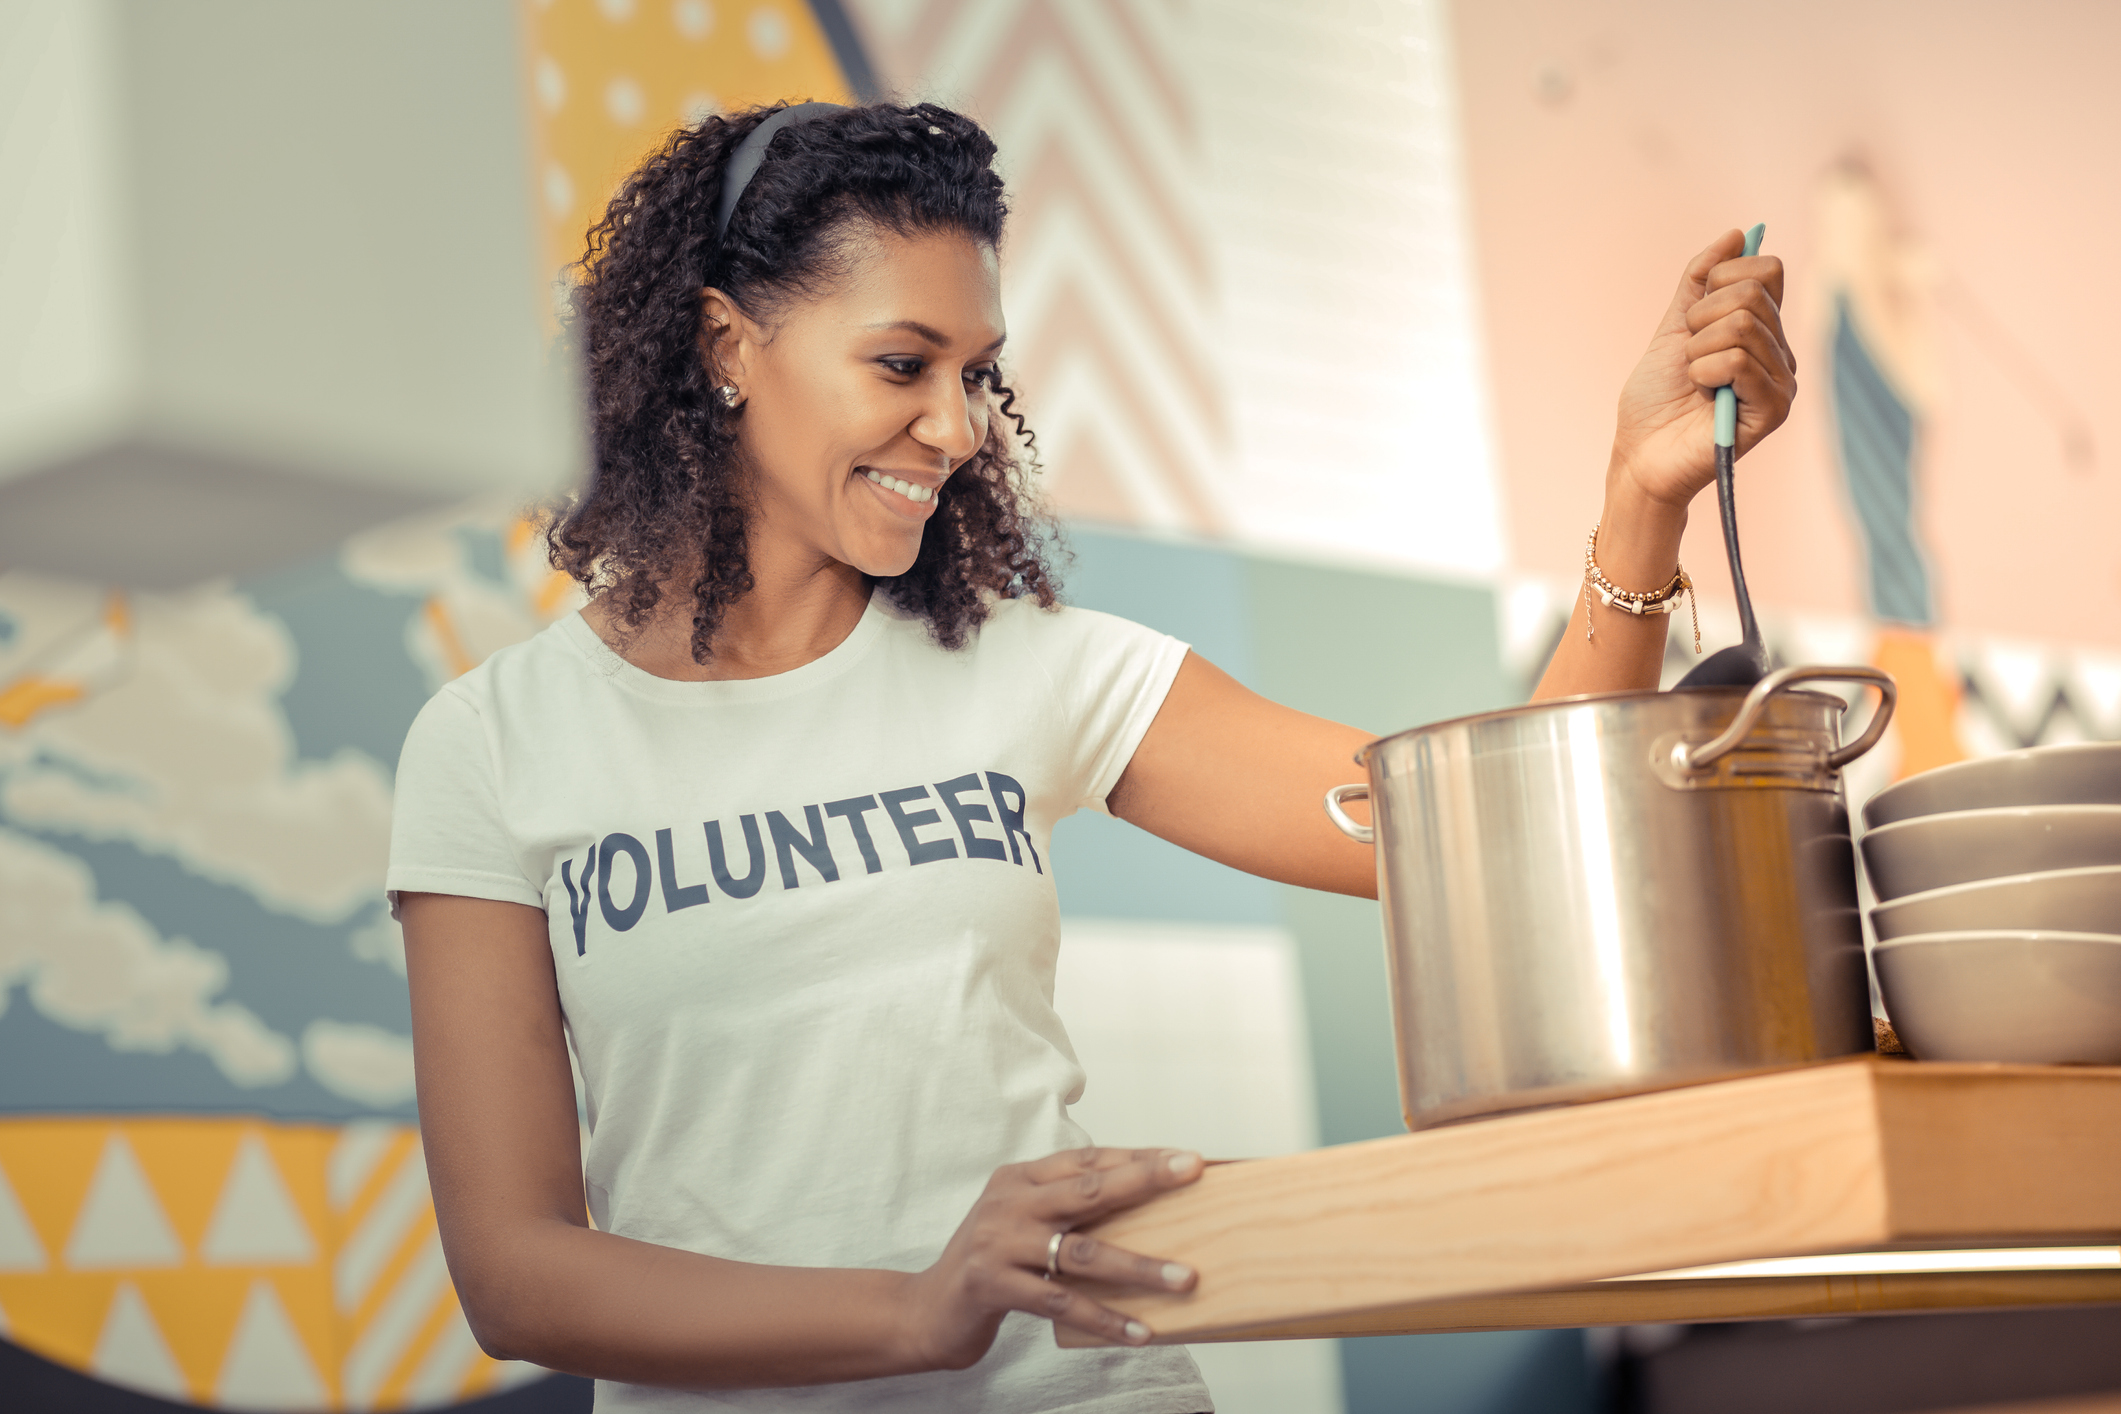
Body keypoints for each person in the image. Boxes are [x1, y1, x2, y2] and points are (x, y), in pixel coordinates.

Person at [388, 100, 1795, 1412]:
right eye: (900, 363)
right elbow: (514, 1270)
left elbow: (1494, 834)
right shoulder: (494, 745)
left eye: (974, 374)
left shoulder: (1031, 668)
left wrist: (1638, 493)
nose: (952, 426)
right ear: (721, 345)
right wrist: (913, 1308)